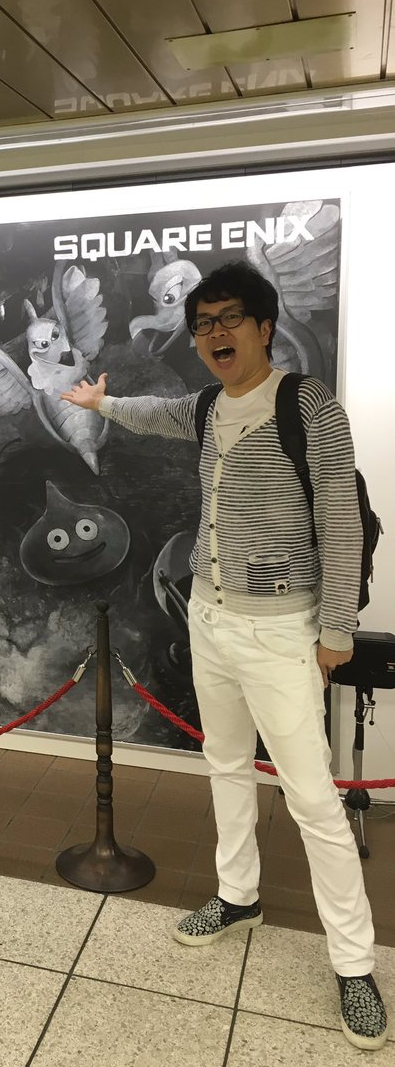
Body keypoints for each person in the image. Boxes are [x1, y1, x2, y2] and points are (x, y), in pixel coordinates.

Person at [61, 260, 387, 1052]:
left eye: (229, 318)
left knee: (312, 800)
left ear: (265, 327)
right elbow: (159, 413)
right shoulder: (208, 407)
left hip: (281, 629)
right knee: (227, 765)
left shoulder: (307, 404)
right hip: (209, 616)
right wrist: (104, 405)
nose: (215, 333)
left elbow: (342, 522)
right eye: (203, 322)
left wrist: (336, 630)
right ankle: (238, 895)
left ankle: (354, 964)